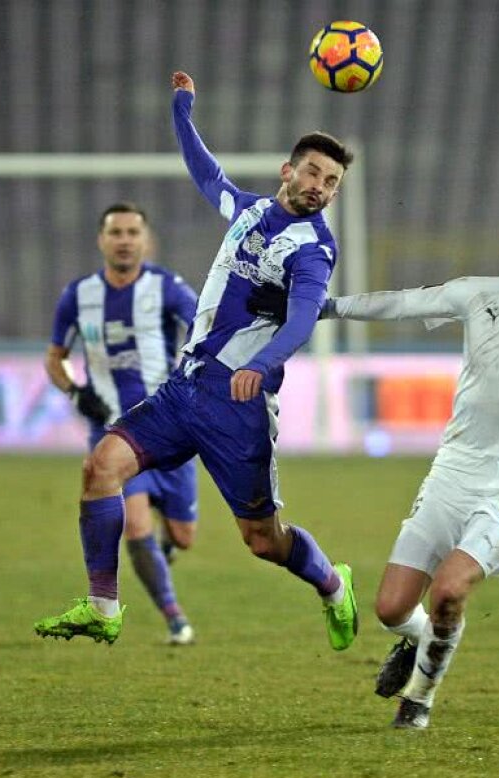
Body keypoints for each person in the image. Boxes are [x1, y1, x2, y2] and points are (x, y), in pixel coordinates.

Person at [254, 200, 499, 728]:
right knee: (391, 608)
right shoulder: (482, 294)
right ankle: (420, 639)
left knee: (449, 590)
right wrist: (316, 308)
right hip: (453, 473)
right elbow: (398, 303)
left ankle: (419, 698)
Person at [33, 71, 359, 652]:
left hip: (239, 405)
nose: (320, 186)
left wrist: (263, 363)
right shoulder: (247, 211)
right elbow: (205, 171)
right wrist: (183, 110)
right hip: (184, 389)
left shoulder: (313, 249)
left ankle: (334, 586)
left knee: (261, 540)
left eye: (331, 181)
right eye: (313, 172)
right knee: (98, 469)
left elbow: (304, 318)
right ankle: (104, 607)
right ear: (288, 171)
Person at [34, 202, 200, 646]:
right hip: (114, 433)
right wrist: (74, 391)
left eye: (132, 232)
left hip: (168, 427)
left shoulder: (165, 288)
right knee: (137, 526)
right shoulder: (78, 295)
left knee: (184, 537)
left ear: (145, 241)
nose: (124, 240)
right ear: (101, 240)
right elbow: (54, 359)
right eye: (116, 232)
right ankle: (174, 618)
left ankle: (163, 555)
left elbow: (204, 326)